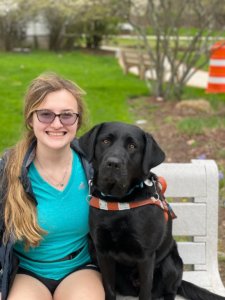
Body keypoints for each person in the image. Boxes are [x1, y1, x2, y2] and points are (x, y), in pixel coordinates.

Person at [0, 73, 105, 300]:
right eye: (45, 114)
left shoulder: (93, 165)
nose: (57, 124)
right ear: (31, 119)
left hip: (79, 268)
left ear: (78, 120)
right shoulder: (8, 169)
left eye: (67, 116)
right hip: (27, 273)